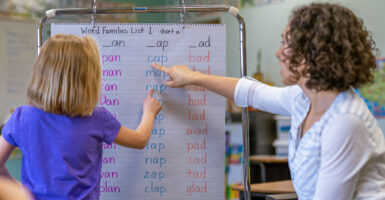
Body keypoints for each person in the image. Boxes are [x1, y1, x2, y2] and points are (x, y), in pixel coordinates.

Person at [153, 2, 385, 200]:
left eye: (285, 43)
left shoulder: (345, 122)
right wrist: (193, 77)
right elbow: (251, 92)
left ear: (309, 56)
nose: (277, 52)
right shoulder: (303, 98)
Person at [0, 34, 162, 199]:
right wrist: (149, 112)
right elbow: (140, 139)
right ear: (89, 79)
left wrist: (19, 191)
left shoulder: (22, 117)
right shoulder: (98, 119)